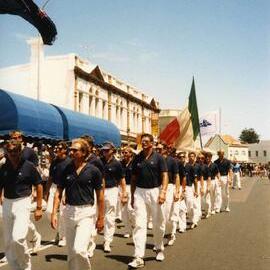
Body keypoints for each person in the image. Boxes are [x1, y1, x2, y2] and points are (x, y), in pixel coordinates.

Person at [51, 138, 104, 270]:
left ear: (84, 152)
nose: (71, 152)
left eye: (75, 150)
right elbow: (58, 191)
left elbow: (100, 196)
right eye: (70, 149)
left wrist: (101, 218)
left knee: (79, 249)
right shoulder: (66, 169)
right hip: (69, 211)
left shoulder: (93, 170)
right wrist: (54, 212)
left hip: (86, 212)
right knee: (71, 253)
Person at [0, 140, 43, 270]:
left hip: (23, 202)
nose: (12, 154)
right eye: (10, 151)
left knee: (18, 238)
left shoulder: (29, 166)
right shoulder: (3, 168)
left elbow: (39, 185)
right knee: (8, 241)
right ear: (6, 152)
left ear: (20, 151)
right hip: (7, 202)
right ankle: (15, 267)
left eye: (15, 151)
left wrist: (39, 208)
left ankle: (25, 266)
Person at [128, 134, 168, 268]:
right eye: (142, 141)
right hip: (140, 192)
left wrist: (163, 192)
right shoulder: (137, 158)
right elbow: (133, 179)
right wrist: (133, 196)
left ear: (152, 143)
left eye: (146, 141)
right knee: (139, 224)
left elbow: (165, 175)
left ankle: (159, 247)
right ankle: (138, 256)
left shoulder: (159, 158)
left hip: (155, 192)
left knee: (158, 223)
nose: (143, 143)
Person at [101, 141, 127, 253]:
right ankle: (90, 242)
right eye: (103, 150)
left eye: (107, 150)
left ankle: (107, 241)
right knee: (96, 215)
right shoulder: (98, 162)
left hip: (112, 190)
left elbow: (121, 179)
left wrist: (124, 192)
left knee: (110, 217)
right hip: (99, 191)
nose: (104, 152)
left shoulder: (117, 164)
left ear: (112, 151)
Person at [44, 141, 71, 247]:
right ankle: (59, 231)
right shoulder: (54, 162)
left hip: (65, 188)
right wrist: (47, 191)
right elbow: (50, 178)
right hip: (55, 187)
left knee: (63, 213)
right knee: (49, 211)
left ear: (65, 150)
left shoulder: (70, 162)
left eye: (59, 149)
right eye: (56, 149)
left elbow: (71, 179)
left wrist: (67, 194)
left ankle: (63, 236)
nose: (56, 150)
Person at [121, 146, 135, 238]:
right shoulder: (120, 163)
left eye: (126, 152)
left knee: (131, 209)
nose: (124, 154)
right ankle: (127, 229)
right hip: (122, 187)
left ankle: (135, 225)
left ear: (131, 154)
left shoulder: (134, 163)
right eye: (123, 152)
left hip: (132, 187)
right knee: (123, 211)